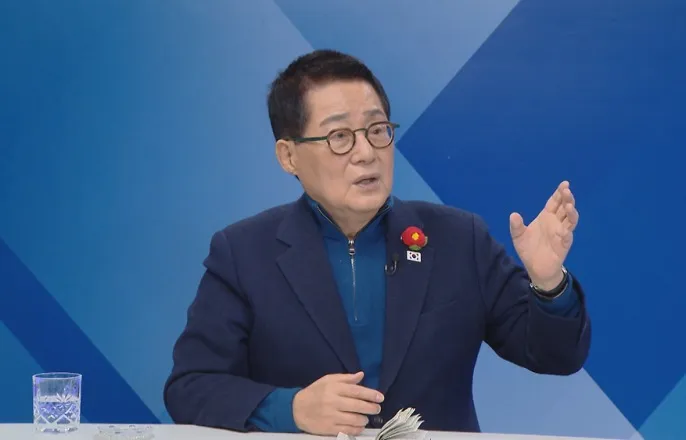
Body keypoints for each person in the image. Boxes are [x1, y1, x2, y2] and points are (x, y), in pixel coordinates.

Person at [163, 49, 591, 435]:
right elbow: (191, 386)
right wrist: (290, 409)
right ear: (288, 155)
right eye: (339, 137)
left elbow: (556, 356)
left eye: (377, 130)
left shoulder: (460, 240)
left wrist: (548, 284)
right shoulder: (243, 253)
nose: (366, 153)